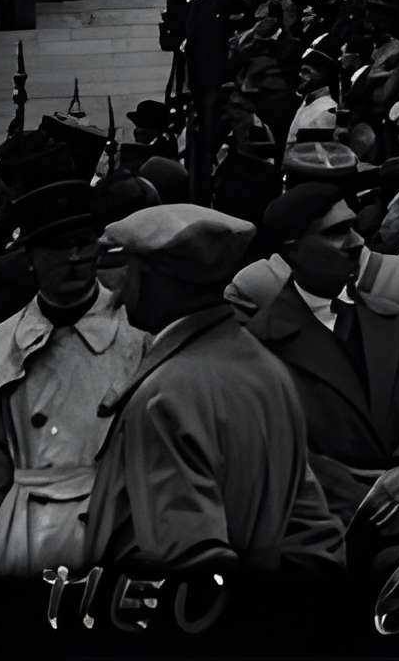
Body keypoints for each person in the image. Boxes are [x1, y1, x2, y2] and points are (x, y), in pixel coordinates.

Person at [81, 202, 347, 578]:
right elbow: (310, 526)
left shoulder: (165, 396)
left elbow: (185, 562)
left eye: (130, 277)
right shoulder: (268, 370)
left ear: (158, 281)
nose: (118, 297)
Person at [245, 186, 399, 563]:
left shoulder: (391, 319)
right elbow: (271, 450)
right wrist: (360, 493)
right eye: (335, 231)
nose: (357, 242)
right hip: (324, 540)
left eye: (354, 227)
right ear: (293, 250)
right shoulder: (261, 344)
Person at [0, 180, 150, 577]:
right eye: (57, 247)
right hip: (27, 530)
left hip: (115, 526)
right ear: (31, 257)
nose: (74, 258)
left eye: (84, 244)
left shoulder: (136, 337)